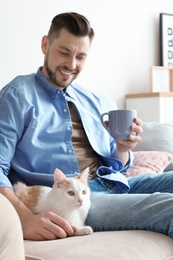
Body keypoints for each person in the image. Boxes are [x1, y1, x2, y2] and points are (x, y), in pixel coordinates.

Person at [1, 12, 173, 242]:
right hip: (69, 201)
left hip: (112, 183)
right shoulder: (17, 95)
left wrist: (123, 147)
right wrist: (22, 218)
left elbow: (117, 167)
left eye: (80, 57)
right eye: (64, 52)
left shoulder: (95, 101)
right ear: (45, 45)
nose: (71, 64)